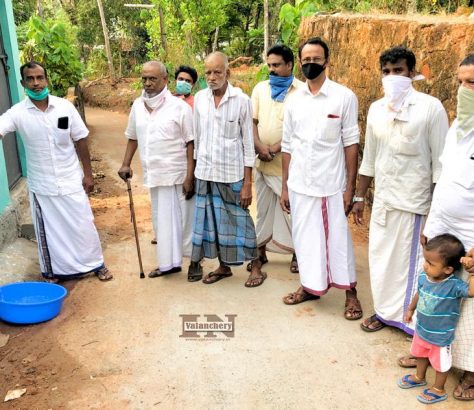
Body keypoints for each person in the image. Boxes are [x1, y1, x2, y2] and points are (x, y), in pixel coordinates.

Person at [353, 46, 449, 333]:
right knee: (381, 261)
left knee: (412, 265)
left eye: (398, 71)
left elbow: (440, 165)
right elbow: (368, 157)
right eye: (387, 72)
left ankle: (409, 322)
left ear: (411, 73)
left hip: (414, 205)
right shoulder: (376, 110)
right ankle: (384, 313)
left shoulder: (430, 108)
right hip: (384, 201)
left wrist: (436, 212)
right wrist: (359, 195)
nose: (392, 77)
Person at [398, 54, 474, 402]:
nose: (463, 89)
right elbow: (443, 179)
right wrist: (432, 219)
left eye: (471, 82)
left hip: (471, 233)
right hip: (443, 224)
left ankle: (469, 373)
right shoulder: (459, 126)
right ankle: (426, 355)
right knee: (434, 290)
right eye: (460, 81)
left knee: (468, 304)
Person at [0, 61, 111, 282]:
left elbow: (80, 139)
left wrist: (87, 175)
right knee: (51, 233)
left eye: (40, 77)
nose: (36, 83)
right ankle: (54, 273)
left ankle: (96, 264)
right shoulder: (18, 113)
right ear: (23, 83)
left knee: (83, 223)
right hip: (43, 187)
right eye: (30, 79)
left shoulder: (64, 107)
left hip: (71, 179)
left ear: (46, 79)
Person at [280, 37, 362, 319]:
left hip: (331, 185)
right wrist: (285, 187)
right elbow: (288, 145)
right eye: (306, 60)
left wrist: (350, 188)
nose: (310, 64)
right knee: (304, 240)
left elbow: (351, 145)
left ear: (327, 61)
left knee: (338, 240)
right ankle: (310, 286)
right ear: (299, 63)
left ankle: (350, 293)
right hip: (300, 184)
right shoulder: (292, 101)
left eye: (316, 59)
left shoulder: (344, 97)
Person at [118, 61, 200, 279]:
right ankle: (168, 264)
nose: (147, 83)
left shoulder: (179, 107)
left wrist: (190, 176)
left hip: (179, 174)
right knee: (161, 222)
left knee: (185, 223)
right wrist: (126, 163)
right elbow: (132, 136)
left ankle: (194, 263)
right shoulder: (137, 105)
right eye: (144, 78)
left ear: (165, 80)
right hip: (154, 174)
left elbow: (191, 143)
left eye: (152, 78)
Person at [190, 51, 265, 287]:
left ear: (228, 73)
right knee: (212, 223)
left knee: (240, 221)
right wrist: (193, 172)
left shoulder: (242, 101)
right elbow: (198, 138)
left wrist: (247, 183)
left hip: (231, 174)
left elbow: (247, 143)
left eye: (217, 72)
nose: (212, 77)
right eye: (208, 73)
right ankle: (224, 267)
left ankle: (255, 266)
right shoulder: (200, 99)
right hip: (205, 173)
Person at [398, 234, 474, 405]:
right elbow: (420, 292)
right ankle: (419, 377)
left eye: (431, 263)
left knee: (441, 365)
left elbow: (471, 292)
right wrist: (411, 308)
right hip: (422, 329)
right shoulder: (424, 277)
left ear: (448, 269)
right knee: (420, 355)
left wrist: (473, 273)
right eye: (426, 260)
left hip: (440, 337)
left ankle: (438, 389)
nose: (425, 266)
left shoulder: (453, 285)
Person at [249, 44, 304, 275]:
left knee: (293, 212)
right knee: (262, 211)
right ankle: (260, 252)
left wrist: (275, 147)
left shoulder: (302, 91)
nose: (272, 69)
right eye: (269, 65)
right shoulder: (260, 89)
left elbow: (300, 128)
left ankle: (298, 255)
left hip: (289, 166)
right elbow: (251, 122)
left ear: (289, 65)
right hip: (262, 163)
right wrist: (259, 146)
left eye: (277, 65)